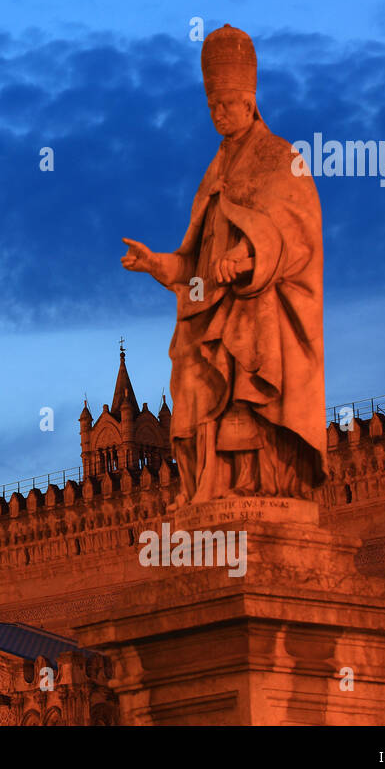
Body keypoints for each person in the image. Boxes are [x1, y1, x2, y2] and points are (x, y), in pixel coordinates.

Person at [121, 25, 326, 502]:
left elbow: (299, 233)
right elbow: (191, 266)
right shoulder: (214, 172)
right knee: (192, 377)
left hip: (258, 307)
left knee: (248, 370)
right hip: (208, 311)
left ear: (250, 101)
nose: (218, 114)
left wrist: (250, 256)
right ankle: (208, 487)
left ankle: (257, 483)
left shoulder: (280, 159)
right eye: (212, 105)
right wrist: (156, 264)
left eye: (226, 104)